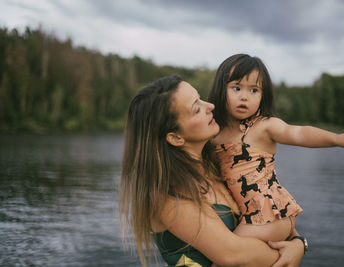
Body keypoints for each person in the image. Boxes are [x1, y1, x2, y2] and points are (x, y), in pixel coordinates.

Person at [119, 75, 305, 267]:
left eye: (200, 98)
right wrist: (284, 255)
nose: (210, 106)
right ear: (175, 138)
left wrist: (298, 243)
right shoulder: (168, 196)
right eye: (197, 108)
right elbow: (233, 255)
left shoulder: (219, 164)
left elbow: (271, 207)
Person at [208, 54, 344, 243]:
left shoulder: (264, 126)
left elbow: (299, 133)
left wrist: (336, 138)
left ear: (263, 95)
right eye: (236, 88)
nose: (244, 96)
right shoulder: (213, 132)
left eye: (254, 90)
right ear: (221, 89)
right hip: (246, 216)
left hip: (271, 216)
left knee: (226, 253)